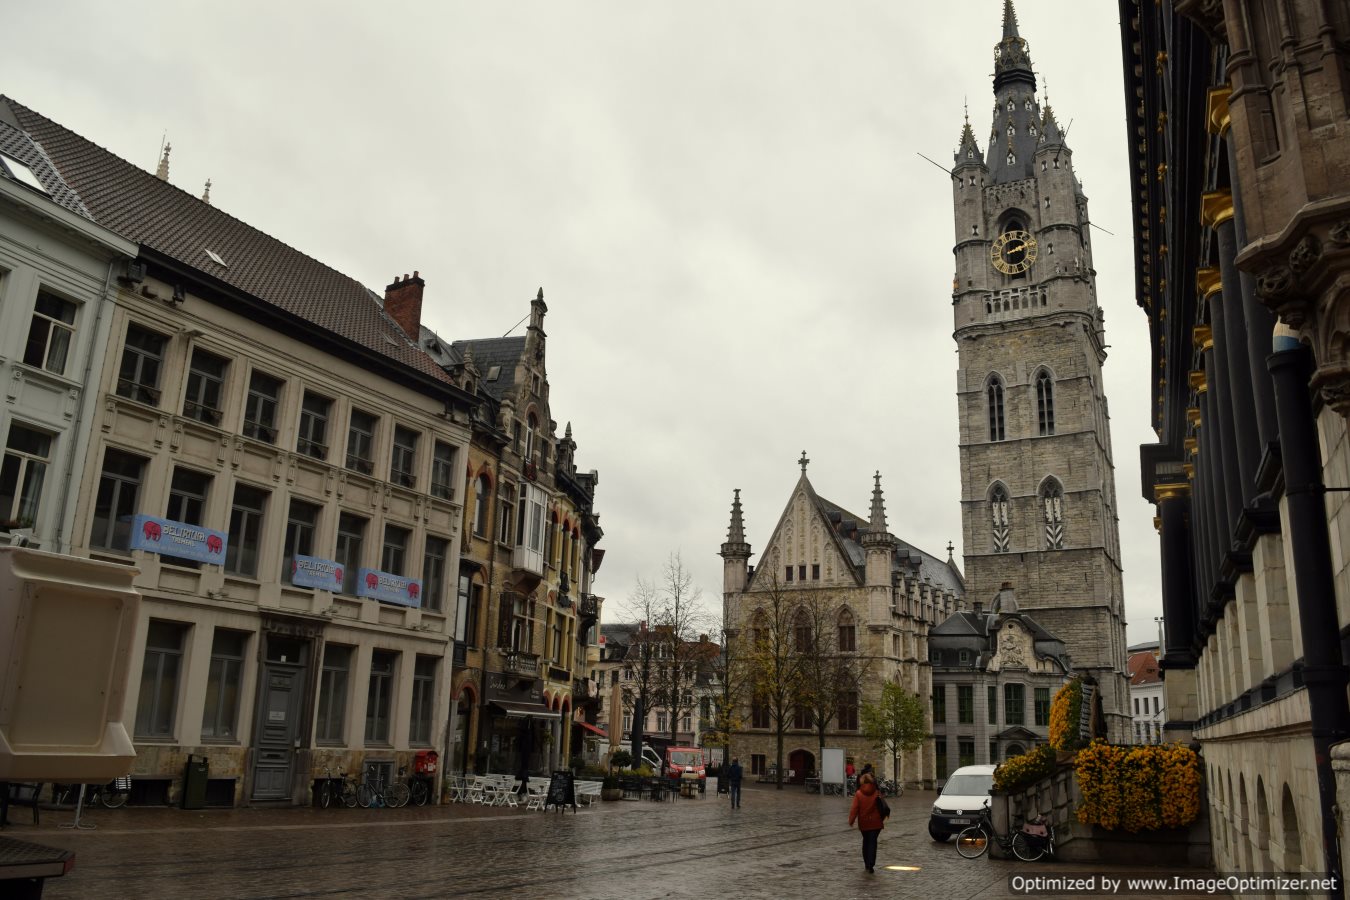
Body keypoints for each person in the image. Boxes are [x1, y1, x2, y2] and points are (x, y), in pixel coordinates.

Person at [847, 771, 884, 873]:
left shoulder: (858, 794)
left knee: (866, 841)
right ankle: (871, 863)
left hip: (864, 822)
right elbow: (882, 805)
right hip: (876, 823)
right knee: (873, 842)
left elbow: (854, 809)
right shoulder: (877, 792)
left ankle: (867, 863)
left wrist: (851, 820)